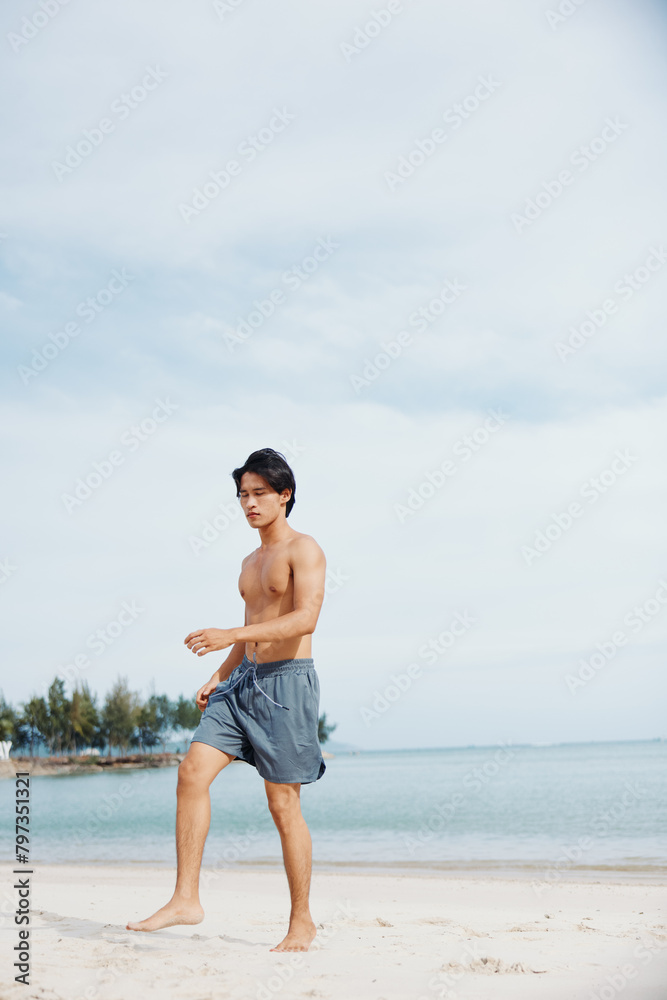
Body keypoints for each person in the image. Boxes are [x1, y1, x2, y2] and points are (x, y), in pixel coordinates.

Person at [126, 448, 327, 952]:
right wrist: (221, 672)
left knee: (283, 804)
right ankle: (185, 899)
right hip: (243, 684)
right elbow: (253, 630)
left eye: (260, 493)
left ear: (285, 495)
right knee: (191, 772)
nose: (249, 503)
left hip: (286, 686)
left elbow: (305, 620)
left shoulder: (305, 550)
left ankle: (301, 922)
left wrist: (227, 635)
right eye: (243, 495)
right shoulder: (249, 561)